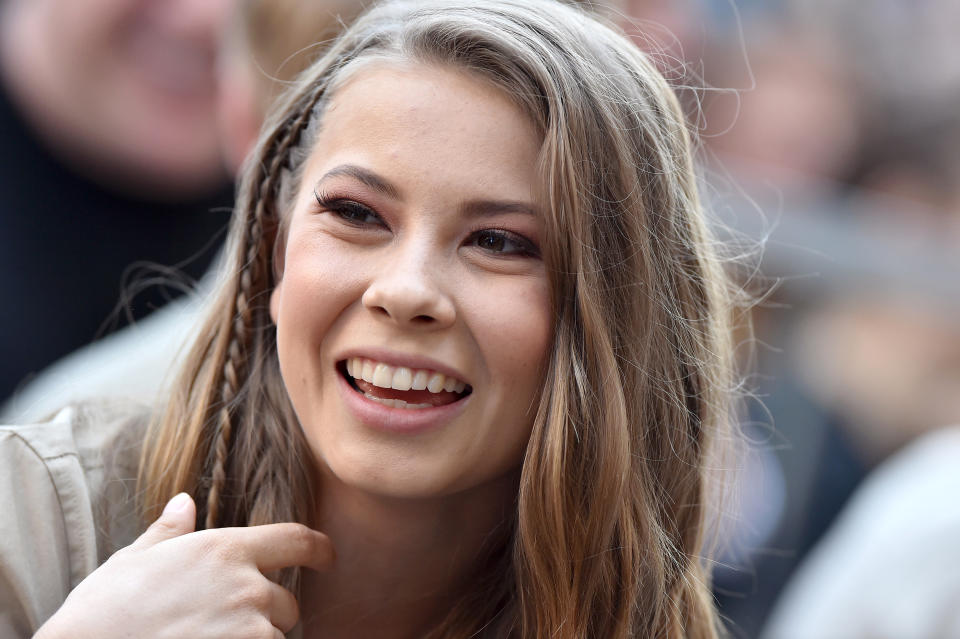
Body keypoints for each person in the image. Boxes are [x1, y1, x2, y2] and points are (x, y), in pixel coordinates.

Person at [0, 0, 737, 637]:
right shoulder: (44, 521)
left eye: (500, 242)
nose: (407, 289)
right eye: (356, 213)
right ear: (274, 251)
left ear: (613, 310)